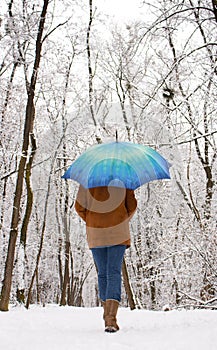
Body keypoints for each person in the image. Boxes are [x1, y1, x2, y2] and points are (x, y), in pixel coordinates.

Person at [75, 185, 137, 332]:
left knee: (102, 273)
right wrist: (120, 218)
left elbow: (79, 207)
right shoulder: (123, 178)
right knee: (113, 272)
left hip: (95, 232)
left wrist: (92, 219)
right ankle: (111, 318)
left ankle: (107, 315)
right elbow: (132, 206)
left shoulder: (88, 179)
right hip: (118, 231)